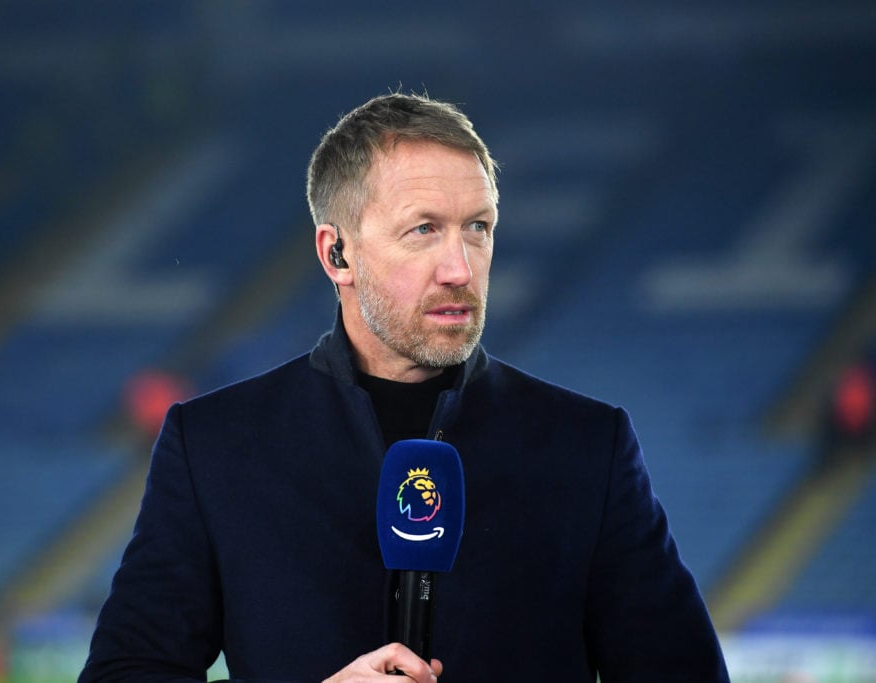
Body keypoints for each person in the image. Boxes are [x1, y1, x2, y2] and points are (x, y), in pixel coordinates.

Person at [79, 92, 729, 682]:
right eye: (424, 230)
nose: (460, 267)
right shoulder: (215, 447)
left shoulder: (588, 446)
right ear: (338, 254)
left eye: (478, 227)